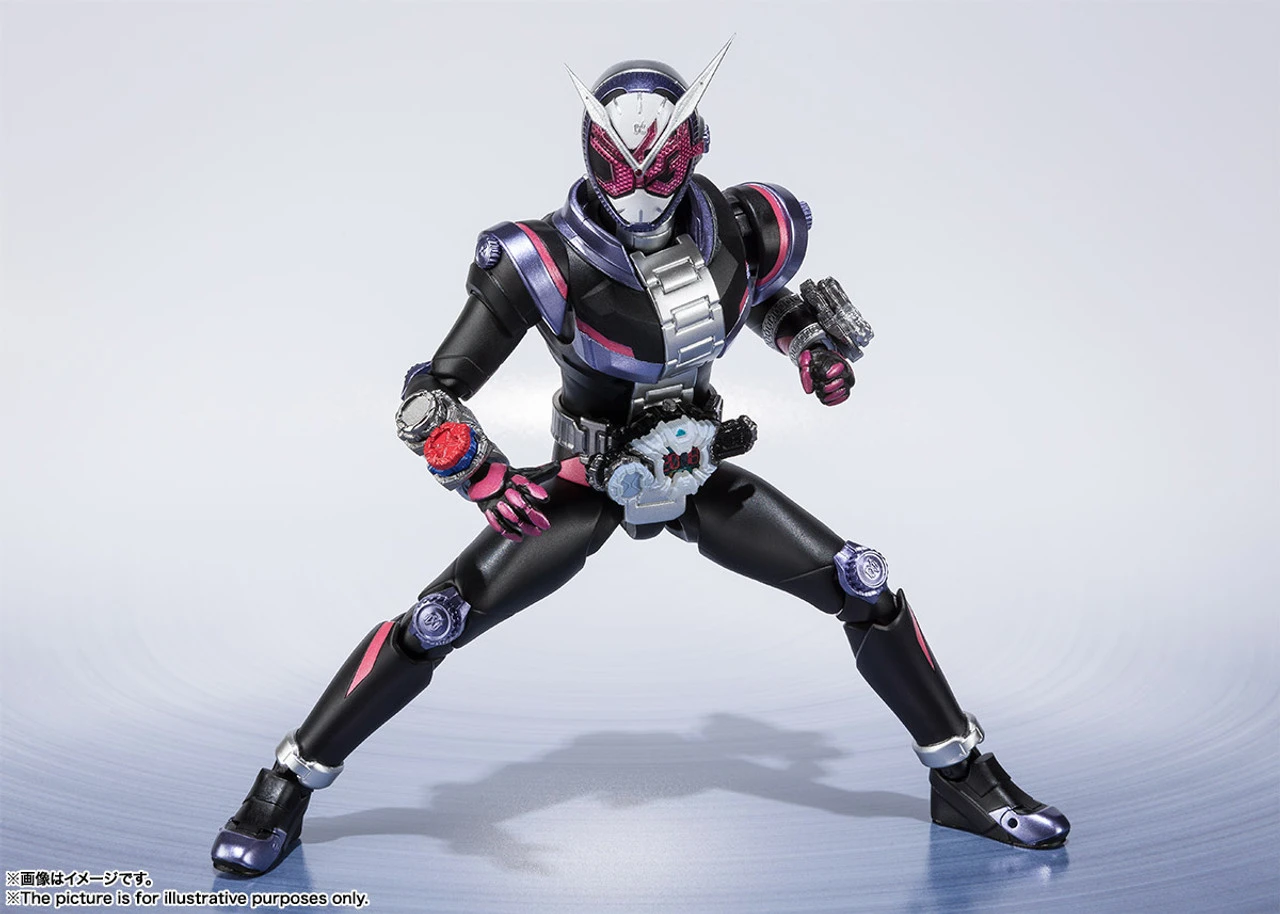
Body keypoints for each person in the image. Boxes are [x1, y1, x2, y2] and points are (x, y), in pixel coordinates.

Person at [212, 43, 1069, 877]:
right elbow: (430, 393)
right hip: (585, 482)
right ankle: (286, 782)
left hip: (696, 471)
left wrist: (808, 346)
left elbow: (758, 301)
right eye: (617, 170)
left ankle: (962, 775)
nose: (637, 191)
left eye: (659, 170)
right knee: (436, 621)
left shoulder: (742, 225)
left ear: (694, 150)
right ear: (590, 152)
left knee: (862, 584)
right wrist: (481, 473)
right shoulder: (541, 262)